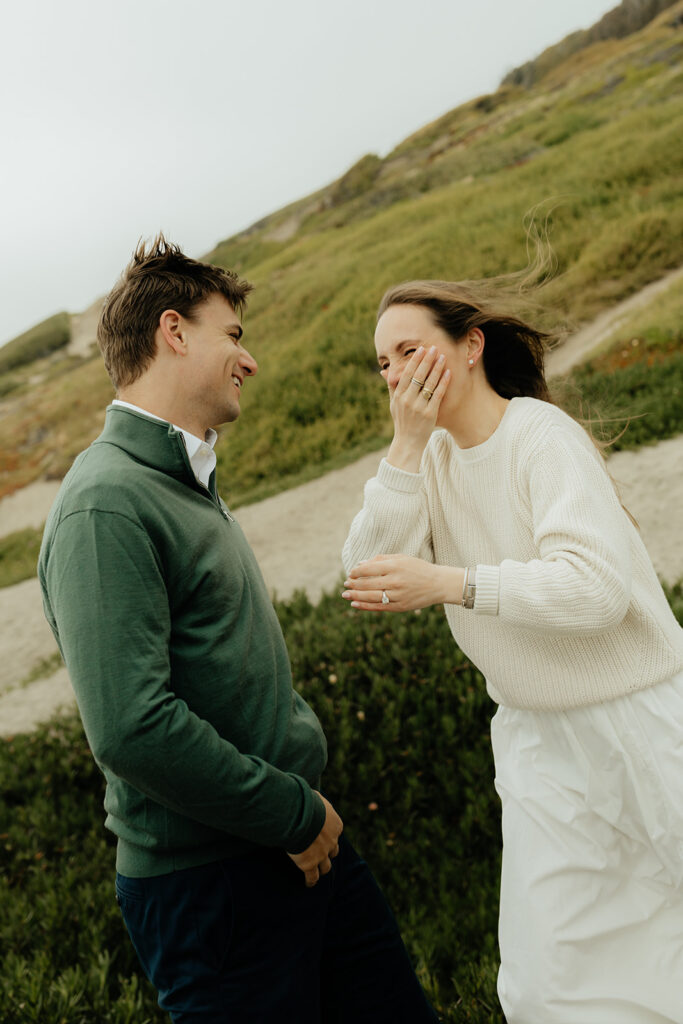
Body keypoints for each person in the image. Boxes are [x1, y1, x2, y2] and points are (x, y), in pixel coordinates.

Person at [38, 237, 438, 1024]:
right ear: (173, 332)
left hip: (296, 848)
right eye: (234, 336)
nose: (247, 360)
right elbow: (130, 727)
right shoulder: (105, 502)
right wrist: (293, 814)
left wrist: (302, 813)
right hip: (213, 886)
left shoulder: (179, 475)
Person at [341, 277, 683, 1024]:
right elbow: (364, 574)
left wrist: (453, 584)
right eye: (382, 364)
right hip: (534, 742)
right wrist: (402, 446)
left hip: (640, 721)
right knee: (547, 986)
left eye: (409, 349)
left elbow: (595, 590)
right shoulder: (424, 460)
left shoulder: (539, 437)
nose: (396, 373)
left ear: (470, 346)